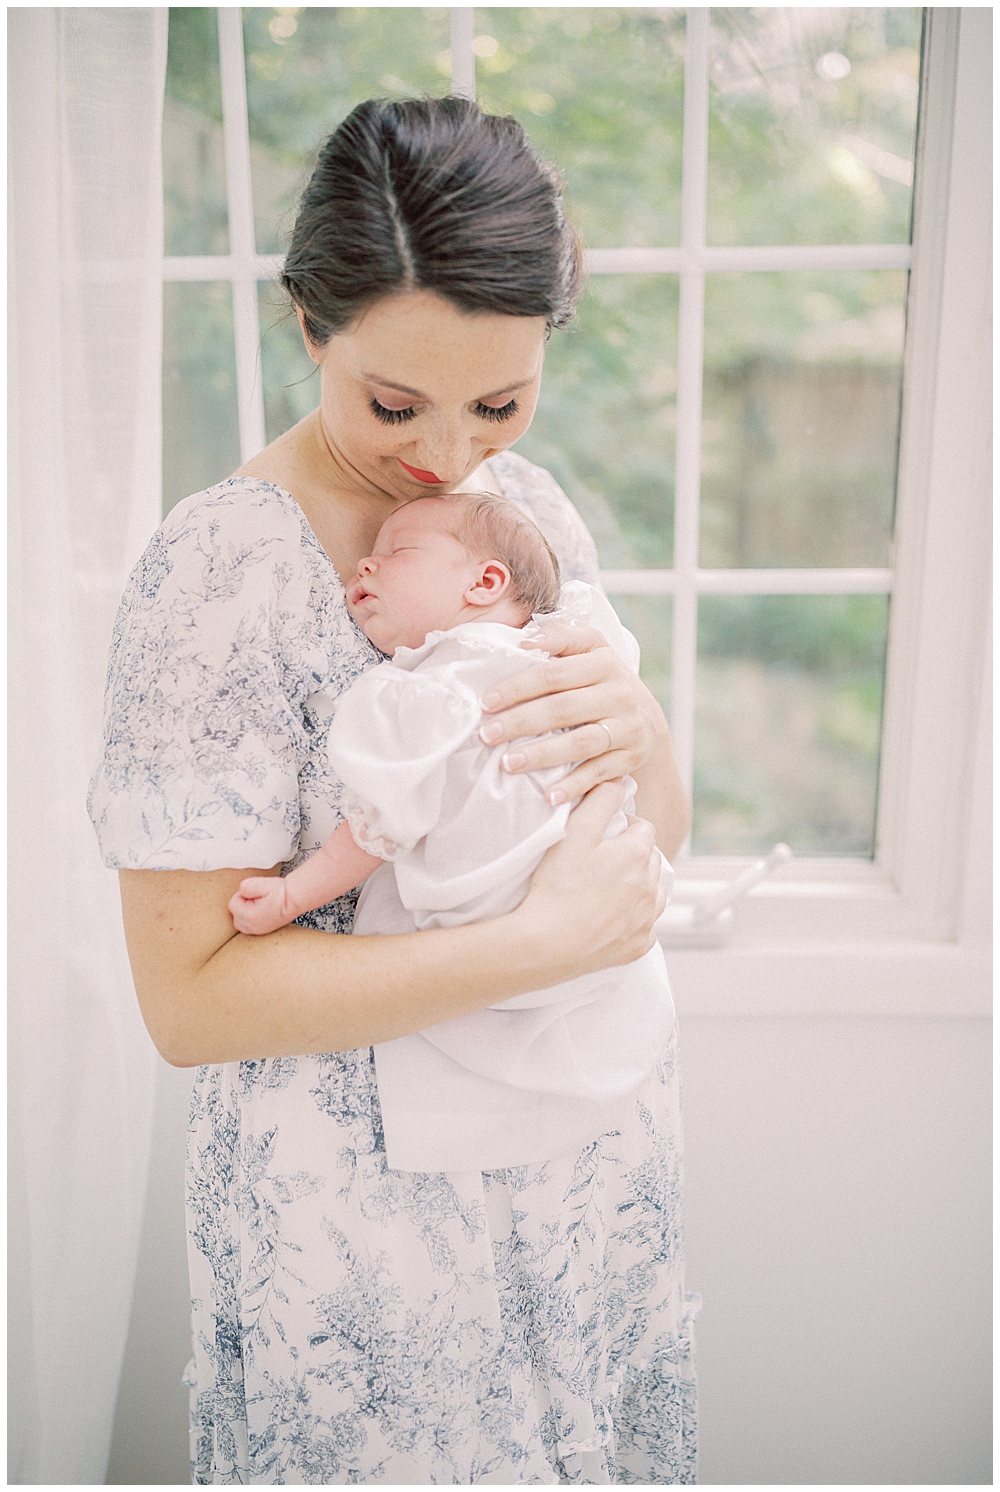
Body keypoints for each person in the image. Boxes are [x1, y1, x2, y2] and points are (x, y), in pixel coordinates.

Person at [89, 96, 698, 1484]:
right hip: (369, 1243)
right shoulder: (217, 578)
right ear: (309, 328)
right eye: (392, 401)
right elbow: (188, 1004)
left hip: (582, 1172)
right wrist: (528, 949)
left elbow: (643, 838)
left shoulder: (524, 514)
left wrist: (643, 730)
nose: (445, 453)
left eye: (500, 399)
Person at [229, 491, 677, 1175]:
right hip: (558, 950)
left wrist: (295, 897)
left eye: (397, 552)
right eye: (368, 556)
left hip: (601, 924)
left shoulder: (432, 694)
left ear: (486, 581)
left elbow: (376, 832)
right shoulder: (566, 646)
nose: (366, 567)